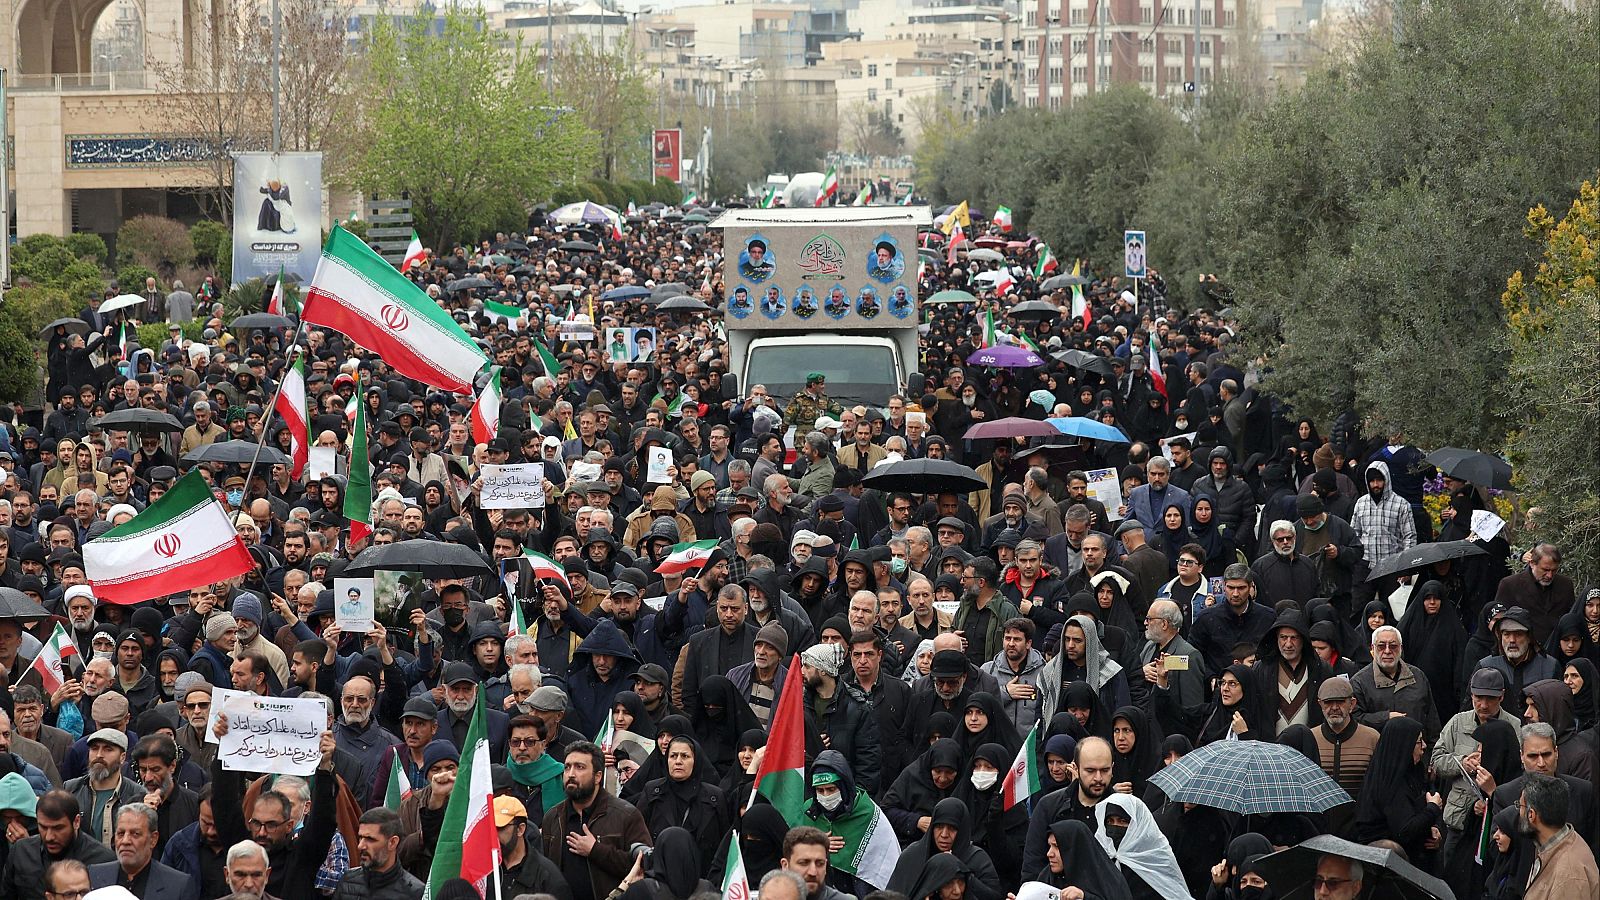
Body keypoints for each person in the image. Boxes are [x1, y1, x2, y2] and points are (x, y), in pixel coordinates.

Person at [540, 741, 651, 900]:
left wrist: (595, 851)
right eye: (567, 767)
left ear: (598, 776)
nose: (571, 774)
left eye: (580, 767)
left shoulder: (626, 815)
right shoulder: (552, 817)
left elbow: (642, 868)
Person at [87, 803, 199, 900]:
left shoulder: (177, 886)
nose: (125, 841)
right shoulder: (94, 876)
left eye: (135, 834)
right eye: (120, 833)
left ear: (153, 839)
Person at [1519, 773, 1600, 900]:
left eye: (1520, 806)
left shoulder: (1568, 877)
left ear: (1531, 815)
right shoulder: (1553, 843)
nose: (1518, 812)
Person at [332, 807, 424, 900]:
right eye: (360, 837)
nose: (360, 846)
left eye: (370, 839)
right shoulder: (347, 882)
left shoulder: (415, 893)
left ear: (392, 842)